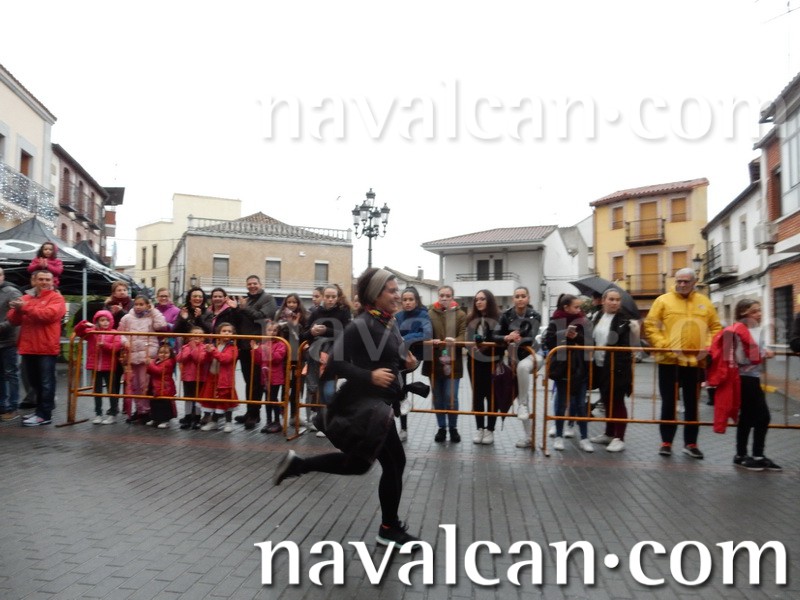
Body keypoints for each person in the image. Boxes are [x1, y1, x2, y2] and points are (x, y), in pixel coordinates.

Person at [273, 268, 422, 548]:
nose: (397, 295)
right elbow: (335, 363)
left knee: (359, 464)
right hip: (367, 407)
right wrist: (370, 376)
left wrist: (409, 364)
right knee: (394, 463)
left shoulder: (388, 322)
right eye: (392, 290)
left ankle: (299, 465)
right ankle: (389, 529)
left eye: (397, 290)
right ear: (375, 294)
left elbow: (390, 359)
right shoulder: (361, 324)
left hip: (380, 405)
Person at [644, 268, 721, 459]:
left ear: (695, 282)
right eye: (679, 281)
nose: (682, 284)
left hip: (695, 363)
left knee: (692, 404)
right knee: (668, 403)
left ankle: (691, 443)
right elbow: (650, 325)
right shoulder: (663, 300)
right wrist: (665, 345)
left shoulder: (705, 302)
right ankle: (666, 442)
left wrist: (707, 347)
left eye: (686, 281)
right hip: (669, 361)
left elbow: (715, 327)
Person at [710, 300, 780, 471]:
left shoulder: (755, 331)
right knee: (760, 416)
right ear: (743, 313)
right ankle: (748, 455)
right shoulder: (735, 331)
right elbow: (734, 357)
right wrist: (764, 353)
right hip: (742, 378)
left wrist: (762, 352)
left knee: (750, 417)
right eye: (754, 311)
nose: (759, 314)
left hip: (752, 378)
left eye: (759, 310)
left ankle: (750, 455)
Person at [7, 270, 67, 426]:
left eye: (47, 279)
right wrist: (16, 309)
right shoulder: (26, 298)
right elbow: (13, 320)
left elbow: (48, 315)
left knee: (46, 383)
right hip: (28, 347)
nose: (44, 282)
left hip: (46, 348)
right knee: (35, 383)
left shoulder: (56, 298)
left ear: (52, 281)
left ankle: (45, 415)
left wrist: (24, 307)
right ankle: (39, 411)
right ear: (34, 281)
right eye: (41, 279)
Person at [589, 288, 638, 452]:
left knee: (617, 401)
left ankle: (619, 438)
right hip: (600, 365)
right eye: (611, 299)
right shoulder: (597, 316)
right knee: (606, 400)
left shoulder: (624, 320)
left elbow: (627, 345)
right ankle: (609, 433)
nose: (615, 302)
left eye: (617, 300)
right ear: (603, 301)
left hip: (618, 368)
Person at [545, 294, 593, 452]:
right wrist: (563, 334)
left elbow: (590, 342)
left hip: (580, 368)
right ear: (566, 307)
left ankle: (584, 438)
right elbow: (548, 341)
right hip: (562, 368)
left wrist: (577, 336)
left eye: (580, 307)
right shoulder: (555, 321)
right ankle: (558, 436)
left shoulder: (584, 321)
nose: (579, 310)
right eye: (576, 307)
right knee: (561, 404)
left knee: (580, 404)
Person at [494, 286, 542, 448]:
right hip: (514, 359)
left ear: (528, 298)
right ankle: (529, 437)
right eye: (517, 296)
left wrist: (516, 338)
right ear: (513, 299)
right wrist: (506, 337)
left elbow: (531, 337)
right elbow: (495, 335)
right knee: (523, 395)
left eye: (523, 296)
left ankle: (522, 406)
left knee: (522, 369)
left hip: (534, 355)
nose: (520, 299)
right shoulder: (506, 315)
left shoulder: (535, 315)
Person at [302, 284, 352, 434]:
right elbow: (304, 334)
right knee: (315, 389)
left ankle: (329, 422)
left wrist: (326, 330)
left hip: (334, 356)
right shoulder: (316, 312)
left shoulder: (343, 311)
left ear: (338, 297)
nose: (330, 299)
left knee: (328, 391)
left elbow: (347, 332)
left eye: (333, 297)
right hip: (316, 356)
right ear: (323, 297)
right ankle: (319, 421)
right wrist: (312, 332)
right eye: (328, 296)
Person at [423, 285, 466, 443]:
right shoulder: (429, 313)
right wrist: (430, 339)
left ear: (452, 297)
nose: (444, 298)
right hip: (434, 362)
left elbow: (464, 334)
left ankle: (453, 428)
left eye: (448, 295)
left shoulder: (460, 314)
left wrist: (455, 341)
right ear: (438, 296)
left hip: (453, 363)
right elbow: (425, 332)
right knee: (438, 397)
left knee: (451, 396)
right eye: (442, 295)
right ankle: (442, 428)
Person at [235, 275, 276, 429]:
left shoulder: (268, 299)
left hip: (259, 347)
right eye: (249, 284)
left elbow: (262, 317)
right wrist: (236, 309)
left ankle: (254, 414)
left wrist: (244, 308)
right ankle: (249, 411)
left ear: (260, 284)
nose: (252, 286)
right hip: (245, 347)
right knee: (249, 381)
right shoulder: (247, 300)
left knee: (257, 382)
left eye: (254, 283)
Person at [119, 295, 169, 422]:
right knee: (134, 384)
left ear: (147, 305)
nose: (138, 307)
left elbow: (161, 325)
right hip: (131, 355)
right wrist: (125, 342)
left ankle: (146, 410)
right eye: (136, 304)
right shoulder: (127, 318)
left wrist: (154, 311)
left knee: (144, 384)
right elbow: (120, 333)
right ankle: (139, 410)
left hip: (147, 355)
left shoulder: (152, 317)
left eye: (141, 304)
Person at [394, 286, 432, 442]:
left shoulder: (423, 315)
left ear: (416, 301)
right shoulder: (398, 316)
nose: (407, 302)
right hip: (398, 357)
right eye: (404, 300)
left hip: (415, 356)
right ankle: (411, 390)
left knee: (400, 383)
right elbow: (394, 334)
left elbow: (427, 334)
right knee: (397, 386)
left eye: (411, 299)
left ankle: (403, 428)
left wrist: (407, 338)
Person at [74, 309, 123, 424]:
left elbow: (116, 346)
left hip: (109, 367)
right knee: (97, 391)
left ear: (111, 321)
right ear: (97, 321)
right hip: (95, 366)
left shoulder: (114, 332)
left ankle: (112, 414)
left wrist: (104, 345)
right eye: (102, 320)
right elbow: (78, 331)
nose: (105, 322)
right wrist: (84, 323)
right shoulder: (91, 332)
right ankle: (98, 414)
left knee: (111, 391)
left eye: (107, 320)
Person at [466, 289, 501, 445]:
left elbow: (499, 341)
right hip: (474, 362)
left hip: (492, 362)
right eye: (477, 299)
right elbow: (467, 339)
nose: (479, 302)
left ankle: (490, 429)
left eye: (482, 299)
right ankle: (480, 428)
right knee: (477, 396)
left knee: (492, 396)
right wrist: (471, 346)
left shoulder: (498, 318)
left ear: (489, 301)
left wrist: (484, 348)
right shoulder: (471, 318)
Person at [199, 322, 239, 432]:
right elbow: (205, 360)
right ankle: (214, 422)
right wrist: (207, 352)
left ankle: (228, 422)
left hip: (225, 380)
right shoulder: (216, 346)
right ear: (218, 333)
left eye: (229, 331)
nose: (227, 333)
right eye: (224, 331)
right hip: (212, 377)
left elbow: (225, 359)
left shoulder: (233, 348)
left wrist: (213, 351)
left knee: (226, 400)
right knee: (212, 400)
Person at [252, 320, 289, 433]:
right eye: (269, 330)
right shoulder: (263, 343)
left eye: (274, 330)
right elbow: (258, 360)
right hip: (265, 376)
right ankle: (268, 421)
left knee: (273, 398)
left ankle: (277, 422)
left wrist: (266, 350)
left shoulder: (281, 344)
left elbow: (277, 358)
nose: (272, 332)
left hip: (275, 376)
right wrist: (255, 350)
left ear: (278, 332)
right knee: (267, 399)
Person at [0, 268, 22, 421]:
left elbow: (18, 316)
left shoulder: (12, 292)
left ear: (3, 276)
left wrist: (2, 327)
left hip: (9, 340)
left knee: (11, 373)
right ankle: (2, 406)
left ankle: (13, 407)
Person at [176, 326, 208, 430]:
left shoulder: (204, 348)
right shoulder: (185, 347)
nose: (197, 336)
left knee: (198, 399)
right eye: (194, 334)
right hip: (187, 377)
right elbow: (179, 358)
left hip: (200, 377)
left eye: (200, 335)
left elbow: (200, 359)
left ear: (203, 338)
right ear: (190, 337)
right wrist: (188, 350)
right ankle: (188, 417)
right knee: (188, 398)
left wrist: (194, 349)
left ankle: (197, 418)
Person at [146, 344, 177, 429]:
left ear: (170, 354)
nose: (163, 355)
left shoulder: (169, 362)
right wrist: (149, 364)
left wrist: (150, 364)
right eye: (161, 352)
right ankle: (155, 418)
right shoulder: (156, 361)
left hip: (165, 387)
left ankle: (165, 420)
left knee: (163, 404)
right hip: (155, 386)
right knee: (154, 403)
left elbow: (159, 371)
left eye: (166, 353)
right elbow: (149, 371)